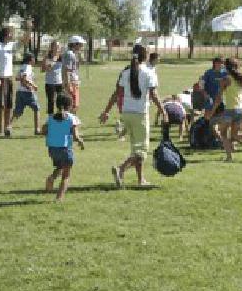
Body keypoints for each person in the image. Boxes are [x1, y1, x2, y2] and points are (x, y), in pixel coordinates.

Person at [100, 44, 167, 187]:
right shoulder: (149, 73)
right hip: (140, 115)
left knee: (135, 148)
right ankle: (121, 169)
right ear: (146, 56)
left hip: (126, 114)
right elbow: (154, 95)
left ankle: (140, 179)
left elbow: (116, 93)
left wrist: (106, 111)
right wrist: (163, 111)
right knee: (142, 151)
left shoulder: (126, 72)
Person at [41, 92, 84, 202]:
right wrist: (80, 141)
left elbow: (43, 131)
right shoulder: (71, 118)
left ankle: (52, 178)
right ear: (70, 105)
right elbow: (75, 136)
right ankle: (59, 198)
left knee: (60, 167)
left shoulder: (50, 118)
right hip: (65, 149)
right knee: (66, 175)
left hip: (52, 149)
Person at [0, 27, 17, 137]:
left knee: (9, 104)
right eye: (11, 33)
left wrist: (29, 28)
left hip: (9, 78)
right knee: (1, 105)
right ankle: (0, 129)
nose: (12, 35)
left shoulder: (11, 46)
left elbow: (25, 40)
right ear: (6, 35)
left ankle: (7, 127)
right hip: (1, 78)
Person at [12, 53, 41, 135]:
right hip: (27, 92)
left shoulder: (22, 67)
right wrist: (33, 85)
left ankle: (8, 126)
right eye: (33, 58)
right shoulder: (28, 67)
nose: (34, 60)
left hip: (19, 91)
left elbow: (17, 78)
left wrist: (24, 82)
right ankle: (37, 129)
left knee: (18, 111)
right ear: (30, 59)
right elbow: (25, 77)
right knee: (37, 108)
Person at [62, 35, 85, 113]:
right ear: (75, 44)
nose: (82, 46)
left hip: (73, 82)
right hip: (71, 82)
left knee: (73, 105)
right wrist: (68, 84)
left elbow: (75, 68)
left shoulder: (73, 54)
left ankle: (71, 121)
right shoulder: (70, 54)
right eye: (80, 44)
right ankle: (71, 122)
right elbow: (66, 70)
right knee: (72, 105)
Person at [41, 41, 63, 115]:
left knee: (60, 101)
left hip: (60, 82)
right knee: (51, 101)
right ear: (51, 47)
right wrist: (53, 60)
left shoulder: (62, 57)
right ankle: (50, 119)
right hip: (50, 83)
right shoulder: (47, 57)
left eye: (58, 46)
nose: (57, 48)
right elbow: (43, 70)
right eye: (55, 46)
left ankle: (60, 118)